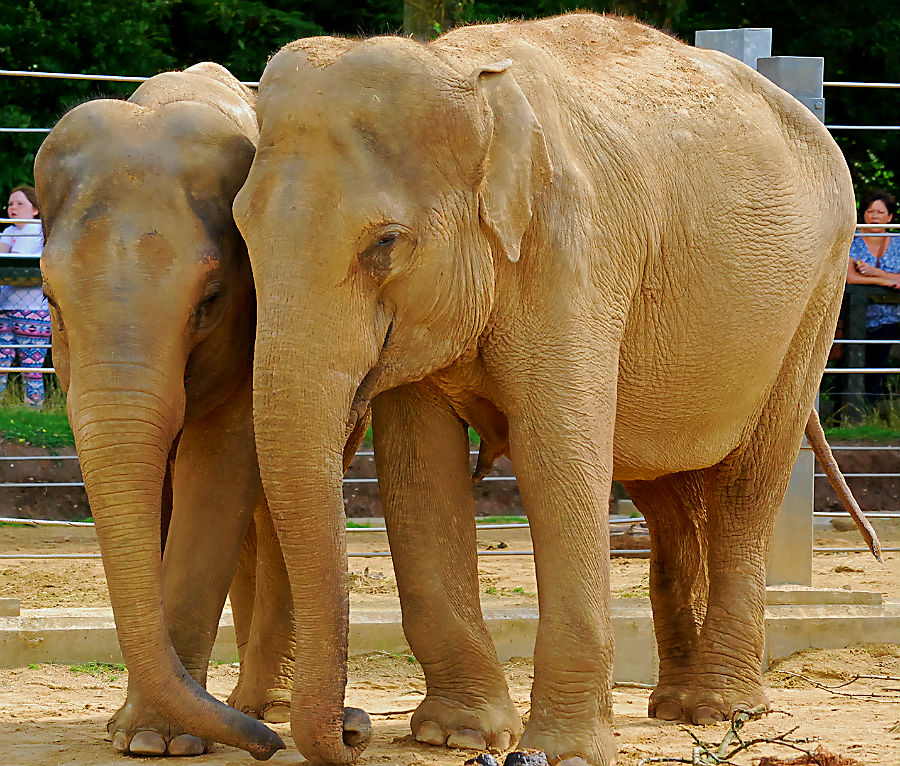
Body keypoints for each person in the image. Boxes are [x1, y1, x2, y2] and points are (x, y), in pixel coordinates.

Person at [845, 189, 900, 404]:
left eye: (880, 212)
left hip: (890, 319)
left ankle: (872, 408)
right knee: (852, 364)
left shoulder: (897, 241)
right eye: (870, 211)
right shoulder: (853, 240)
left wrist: (874, 272)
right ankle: (852, 410)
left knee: (878, 363)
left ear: (890, 217)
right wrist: (885, 281)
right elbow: (851, 277)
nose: (874, 216)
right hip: (854, 318)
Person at [0, 186, 49, 406]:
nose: (13, 208)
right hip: (5, 308)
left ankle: (33, 411)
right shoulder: (8, 231)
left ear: (35, 209)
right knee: (1, 363)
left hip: (33, 311)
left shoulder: (36, 230)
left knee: (31, 367)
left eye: (20, 203)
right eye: (10, 204)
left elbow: (14, 262)